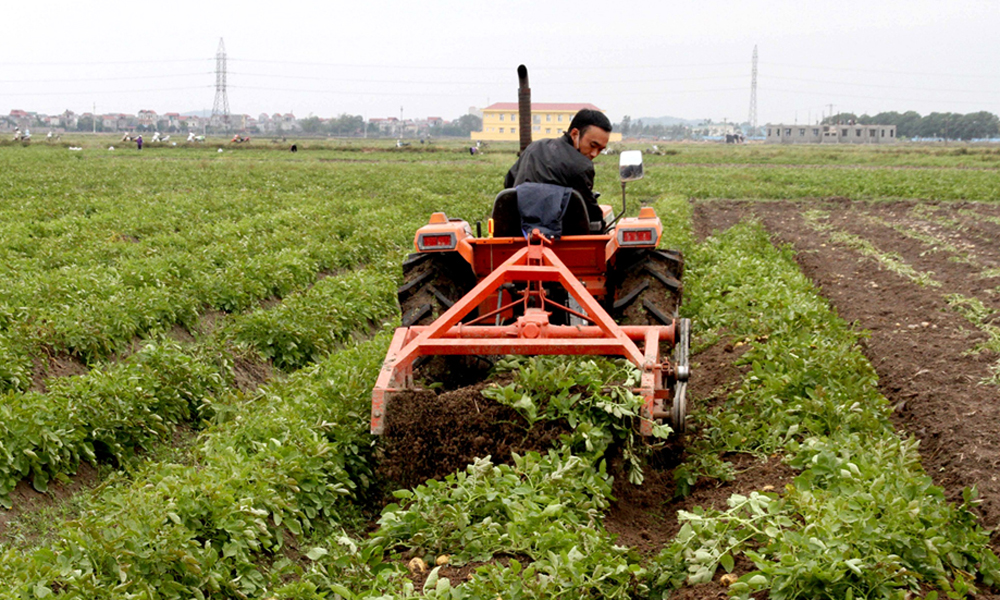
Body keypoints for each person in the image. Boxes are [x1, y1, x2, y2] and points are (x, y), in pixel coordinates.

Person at [504, 108, 612, 228]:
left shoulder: (533, 148)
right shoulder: (581, 165)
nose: (594, 154)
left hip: (516, 229)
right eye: (593, 145)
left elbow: (509, 183)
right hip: (559, 236)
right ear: (575, 134)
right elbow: (589, 210)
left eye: (600, 150)